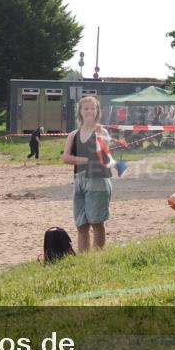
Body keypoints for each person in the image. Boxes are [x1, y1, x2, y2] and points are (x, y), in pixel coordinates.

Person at [62, 95, 115, 252]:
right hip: (79, 180)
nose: (89, 111)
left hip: (98, 179)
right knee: (81, 224)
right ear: (80, 111)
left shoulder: (101, 131)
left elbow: (105, 148)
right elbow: (65, 157)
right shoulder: (73, 135)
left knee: (96, 222)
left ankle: (97, 257)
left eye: (93, 108)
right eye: (86, 108)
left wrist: (102, 138)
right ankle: (84, 258)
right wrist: (86, 160)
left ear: (97, 111)